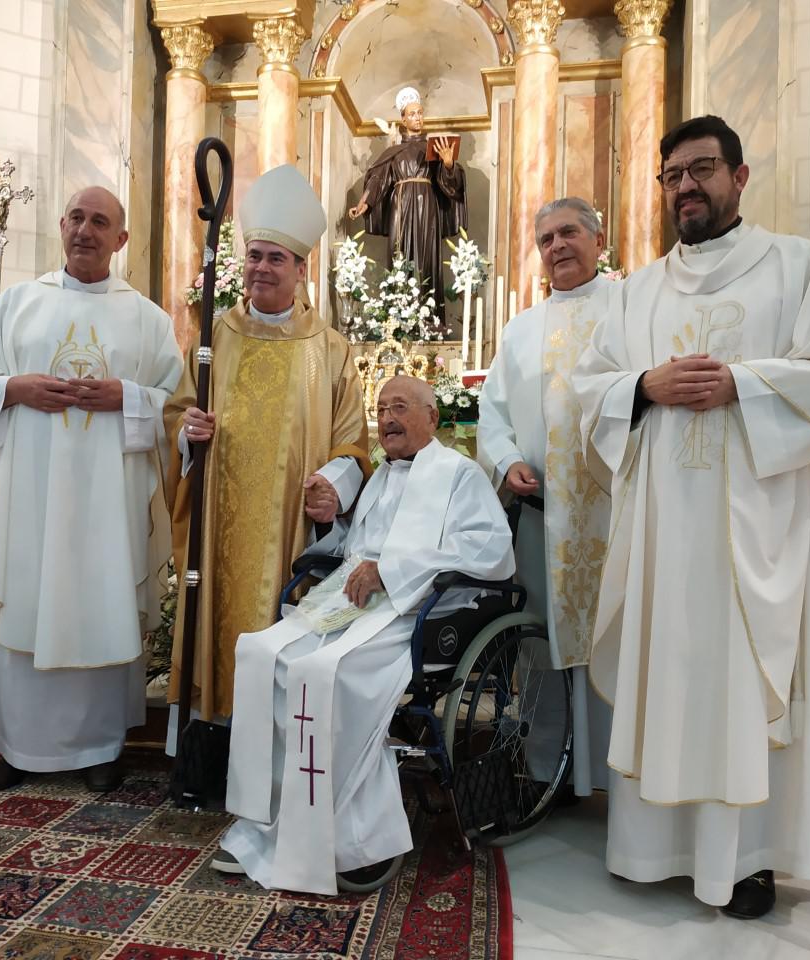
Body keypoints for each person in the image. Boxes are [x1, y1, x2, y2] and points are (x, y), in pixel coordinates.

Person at [571, 115, 810, 918]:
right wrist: (644, 387)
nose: (686, 187)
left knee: (741, 684)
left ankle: (747, 859)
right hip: (666, 534)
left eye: (702, 170)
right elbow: (586, 385)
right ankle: (652, 846)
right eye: (673, 174)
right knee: (671, 669)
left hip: (760, 528)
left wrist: (742, 384)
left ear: (739, 178)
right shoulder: (636, 290)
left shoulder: (797, 267)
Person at [213, 375, 515, 895]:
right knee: (263, 655)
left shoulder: (460, 474)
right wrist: (332, 527)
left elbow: (491, 551)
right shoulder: (378, 477)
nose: (388, 418)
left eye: (400, 407)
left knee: (324, 675)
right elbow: (354, 545)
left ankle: (353, 839)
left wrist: (392, 569)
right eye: (381, 408)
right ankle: (263, 825)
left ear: (432, 418)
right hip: (348, 607)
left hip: (410, 612)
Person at [0, 186, 183, 793]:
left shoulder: (148, 319)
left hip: (108, 505)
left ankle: (101, 748)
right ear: (60, 224)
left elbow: (179, 409)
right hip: (29, 497)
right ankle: (14, 745)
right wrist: (15, 389)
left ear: (120, 239)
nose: (86, 230)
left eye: (100, 222)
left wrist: (128, 397)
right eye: (76, 217)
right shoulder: (18, 304)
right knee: (22, 599)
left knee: (100, 602)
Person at [166, 164, 369, 724]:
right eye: (254, 255)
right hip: (218, 523)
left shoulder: (328, 350)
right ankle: (211, 739)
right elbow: (177, 416)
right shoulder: (213, 339)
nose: (261, 268)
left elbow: (353, 438)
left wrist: (333, 486)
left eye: (276, 258)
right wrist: (189, 435)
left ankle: (275, 747)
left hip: (289, 526)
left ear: (301, 268)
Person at [478, 196, 613, 799]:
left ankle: (617, 775)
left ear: (598, 241)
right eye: (546, 240)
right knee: (545, 643)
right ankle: (545, 771)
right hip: (543, 519)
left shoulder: (631, 308)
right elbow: (493, 413)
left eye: (568, 233)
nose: (557, 247)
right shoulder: (521, 329)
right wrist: (507, 463)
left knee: (615, 636)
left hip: (615, 514)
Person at [348, 86, 466, 314]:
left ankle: (428, 316)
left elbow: (450, 184)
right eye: (412, 114)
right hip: (400, 207)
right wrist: (364, 202)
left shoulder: (435, 148)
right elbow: (378, 179)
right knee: (398, 252)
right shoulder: (395, 151)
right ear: (403, 119)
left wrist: (448, 164)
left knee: (427, 257)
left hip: (427, 207)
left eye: (420, 113)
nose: (418, 118)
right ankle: (397, 315)